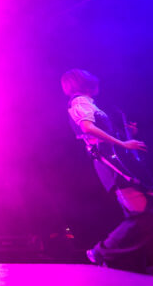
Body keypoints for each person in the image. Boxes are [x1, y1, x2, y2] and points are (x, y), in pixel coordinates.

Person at [61, 68, 153, 273]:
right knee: (142, 214)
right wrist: (123, 143)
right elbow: (87, 128)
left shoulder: (88, 103)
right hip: (111, 163)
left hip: (117, 160)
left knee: (144, 212)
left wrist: (125, 134)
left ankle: (122, 260)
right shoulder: (80, 102)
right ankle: (102, 252)